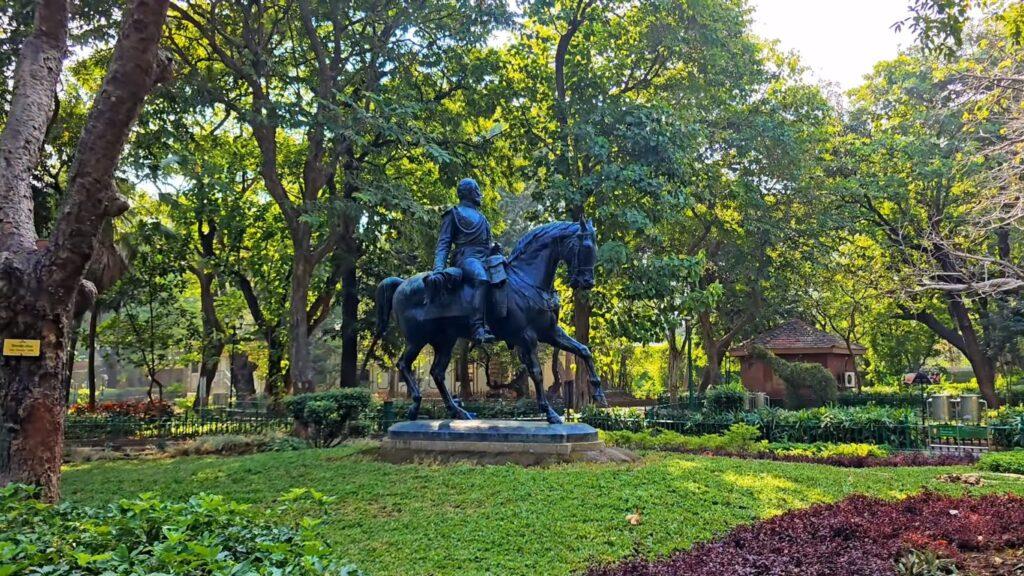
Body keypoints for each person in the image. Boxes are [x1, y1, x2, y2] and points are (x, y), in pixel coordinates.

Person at [433, 178, 496, 344]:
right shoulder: (454, 213)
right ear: (470, 192)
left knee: (505, 276)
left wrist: (494, 250)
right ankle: (477, 328)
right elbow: (444, 243)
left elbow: (486, 245)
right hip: (466, 258)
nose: (479, 194)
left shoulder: (483, 219)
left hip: (484, 258)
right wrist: (438, 268)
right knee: (482, 279)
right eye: (477, 190)